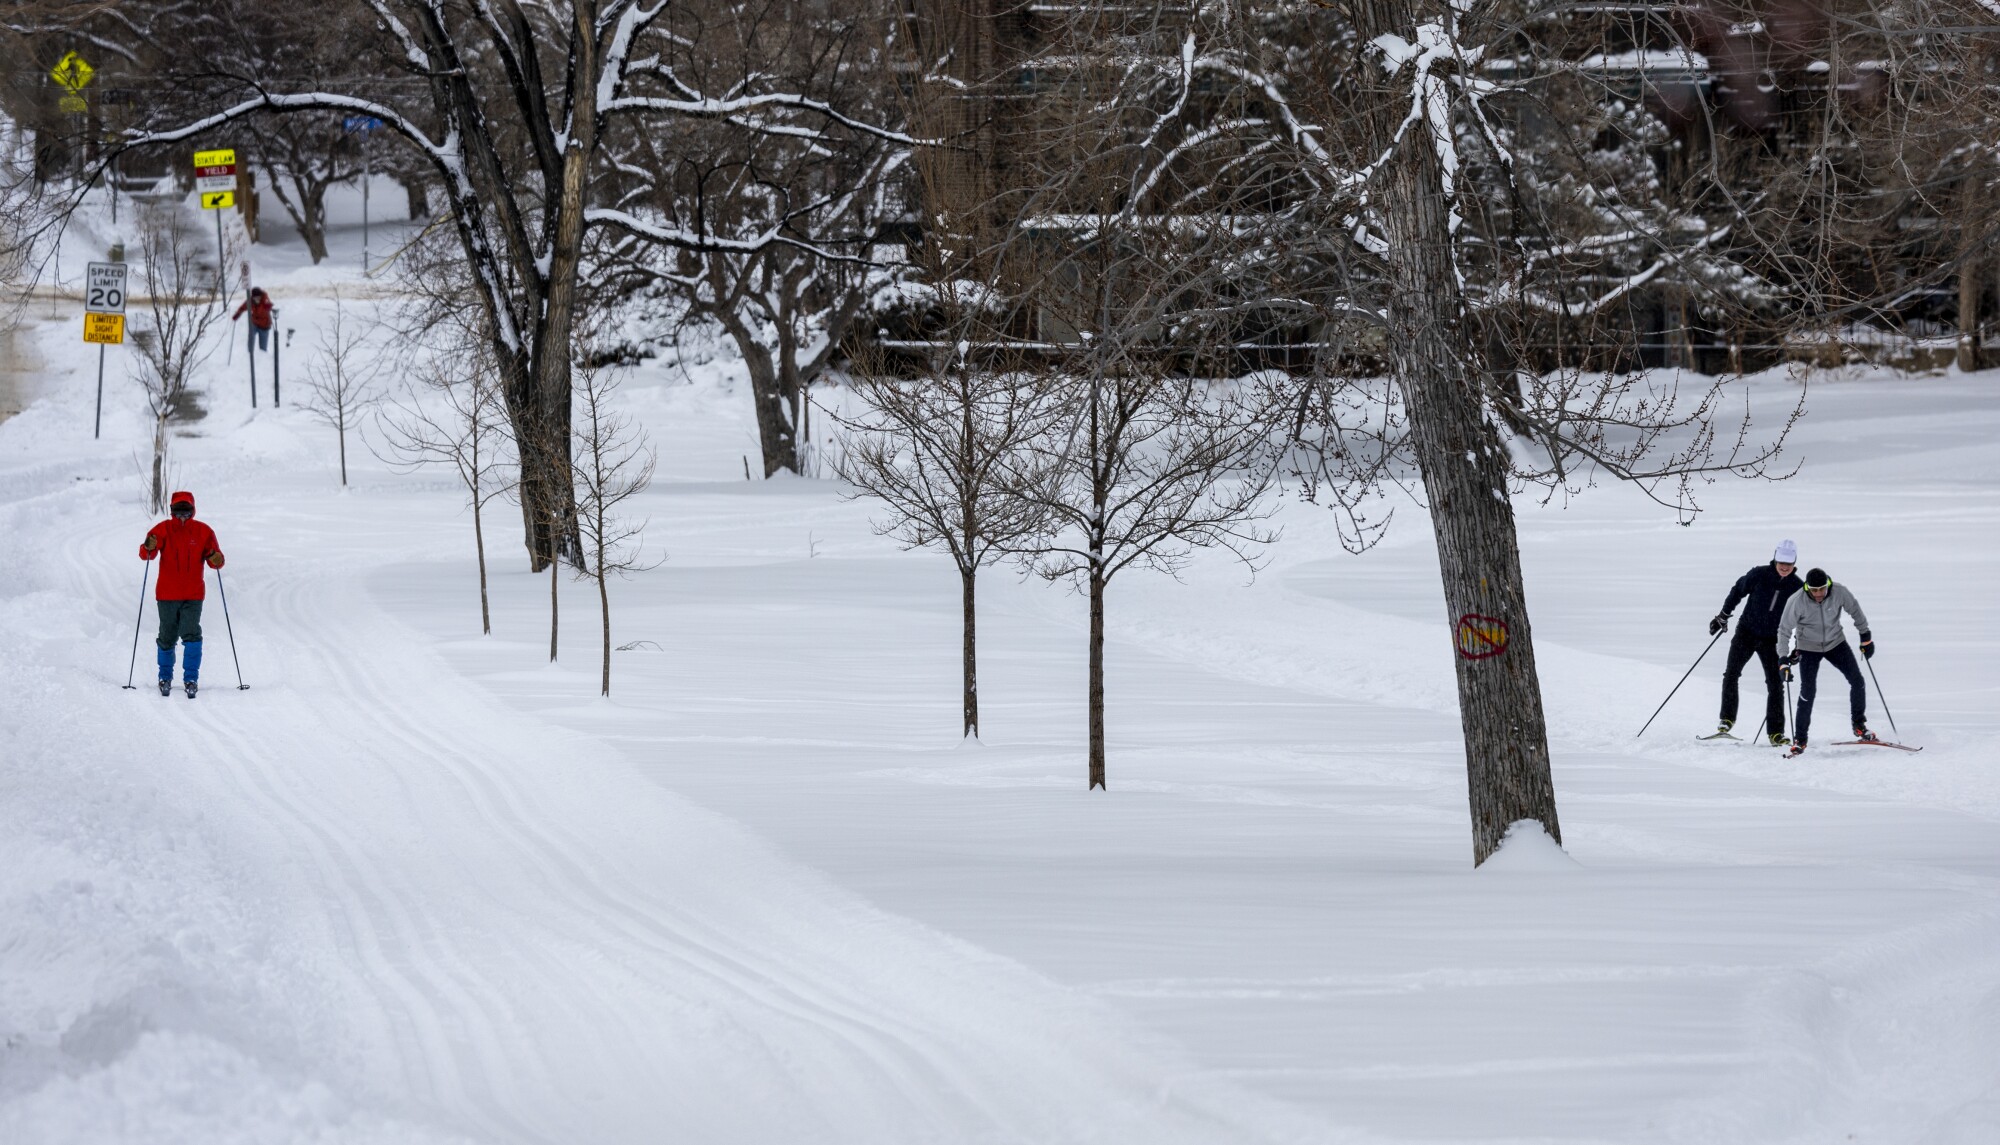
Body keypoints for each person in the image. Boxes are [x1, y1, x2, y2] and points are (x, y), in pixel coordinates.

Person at [1709, 540, 1804, 744]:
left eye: (1788, 563)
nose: (1784, 567)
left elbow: (1804, 618)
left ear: (1794, 562)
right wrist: (1723, 616)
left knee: (1776, 684)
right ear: (1775, 558)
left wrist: (1799, 646)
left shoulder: (1798, 588)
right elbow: (1737, 591)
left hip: (1773, 640)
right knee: (1731, 674)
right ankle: (1726, 721)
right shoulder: (1759, 574)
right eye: (1781, 562)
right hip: (1747, 632)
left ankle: (1776, 734)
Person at [1777, 567, 1876, 756]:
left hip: (1835, 643)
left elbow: (1855, 610)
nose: (1818, 594)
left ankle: (1859, 726)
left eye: (1821, 589)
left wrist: (1865, 636)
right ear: (1807, 588)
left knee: (1857, 681)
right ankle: (1800, 739)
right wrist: (1783, 659)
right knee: (1808, 691)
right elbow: (1784, 631)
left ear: (1828, 585)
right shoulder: (1796, 601)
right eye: (1813, 590)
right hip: (1808, 647)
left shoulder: (1839, 592)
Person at [140, 491, 225, 698]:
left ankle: (191, 678)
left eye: (186, 511)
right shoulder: (163, 529)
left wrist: (215, 558)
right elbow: (145, 555)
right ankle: (165, 677)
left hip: (193, 595)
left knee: (191, 634)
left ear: (193, 510)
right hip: (167, 594)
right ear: (172, 511)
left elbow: (218, 562)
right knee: (167, 637)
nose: (182, 516)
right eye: (178, 511)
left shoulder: (204, 531)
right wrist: (148, 546)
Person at [233, 287, 274, 351]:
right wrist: (237, 315)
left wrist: (268, 306)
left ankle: (262, 357)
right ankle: (250, 353)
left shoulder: (265, 299)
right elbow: (242, 307)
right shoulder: (250, 301)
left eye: (259, 297)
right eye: (255, 298)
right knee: (251, 338)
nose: (257, 299)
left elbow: (269, 305)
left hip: (264, 325)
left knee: (263, 347)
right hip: (254, 323)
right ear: (253, 297)